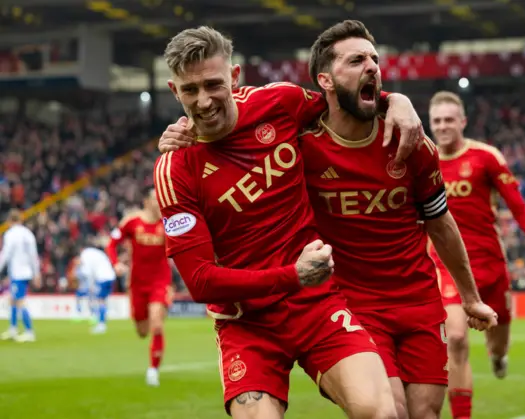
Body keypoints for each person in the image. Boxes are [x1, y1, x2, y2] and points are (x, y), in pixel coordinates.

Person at [154, 25, 423, 419]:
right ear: (175, 91)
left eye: (213, 84)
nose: (204, 100)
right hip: (247, 324)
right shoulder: (174, 169)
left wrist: (395, 100)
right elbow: (200, 281)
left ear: (234, 76)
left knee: (383, 413)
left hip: (316, 305)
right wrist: (293, 275)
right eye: (190, 90)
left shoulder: (278, 102)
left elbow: (342, 102)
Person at [298, 20, 497, 419]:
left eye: (374, 59)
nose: (372, 66)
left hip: (419, 302)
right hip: (353, 306)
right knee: (390, 413)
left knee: (424, 415)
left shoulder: (412, 143)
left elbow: (441, 224)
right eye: (356, 60)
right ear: (326, 80)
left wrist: (470, 297)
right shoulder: (303, 146)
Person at [426, 91, 525, 419]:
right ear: (430, 124)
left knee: (498, 343)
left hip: (490, 266)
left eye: (449, 119)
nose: (443, 126)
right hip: (446, 266)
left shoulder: (486, 157)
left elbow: (517, 207)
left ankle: (499, 356)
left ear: (463, 121)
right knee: (456, 338)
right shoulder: (422, 159)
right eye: (437, 121)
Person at [105, 187, 173, 387]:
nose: (160, 202)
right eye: (155, 198)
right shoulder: (131, 222)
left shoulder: (168, 223)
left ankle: (153, 370)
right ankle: (150, 321)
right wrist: (115, 263)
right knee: (142, 331)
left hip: (160, 281)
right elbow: (111, 243)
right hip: (137, 284)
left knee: (157, 324)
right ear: (146, 202)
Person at [0, 209, 40, 343]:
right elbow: (34, 255)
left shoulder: (10, 234)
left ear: (10, 221)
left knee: (19, 300)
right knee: (13, 299)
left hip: (18, 272)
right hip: (26, 271)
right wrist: (37, 273)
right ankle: (13, 329)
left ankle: (30, 332)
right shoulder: (28, 234)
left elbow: (6, 254)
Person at [72, 246, 117, 334]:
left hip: (102, 277)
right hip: (110, 276)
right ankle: (102, 318)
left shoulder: (85, 255)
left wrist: (90, 285)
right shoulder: (93, 252)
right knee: (102, 300)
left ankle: (101, 324)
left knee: (100, 300)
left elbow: (87, 272)